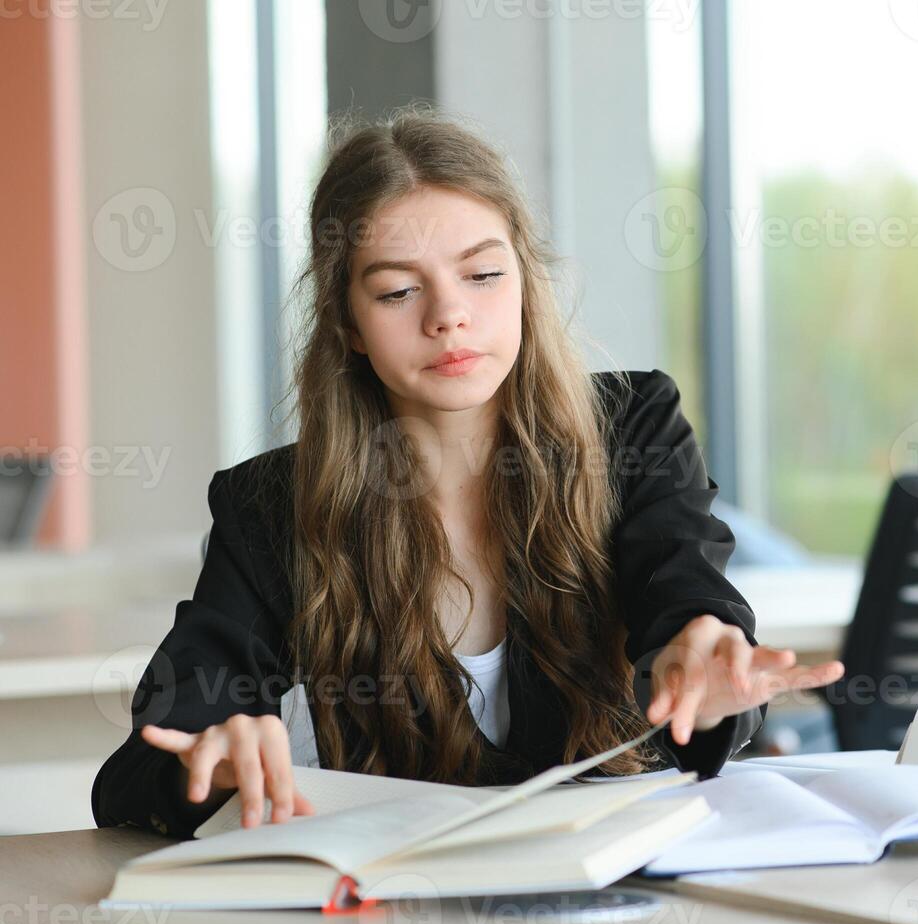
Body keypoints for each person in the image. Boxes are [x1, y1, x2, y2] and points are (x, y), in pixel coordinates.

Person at [90, 109, 843, 839]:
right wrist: (211, 761)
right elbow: (137, 772)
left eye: (482, 274)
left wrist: (702, 660)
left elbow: (682, 599)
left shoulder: (631, 429)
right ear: (347, 323)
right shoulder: (273, 506)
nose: (448, 315)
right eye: (397, 291)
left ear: (526, 283)